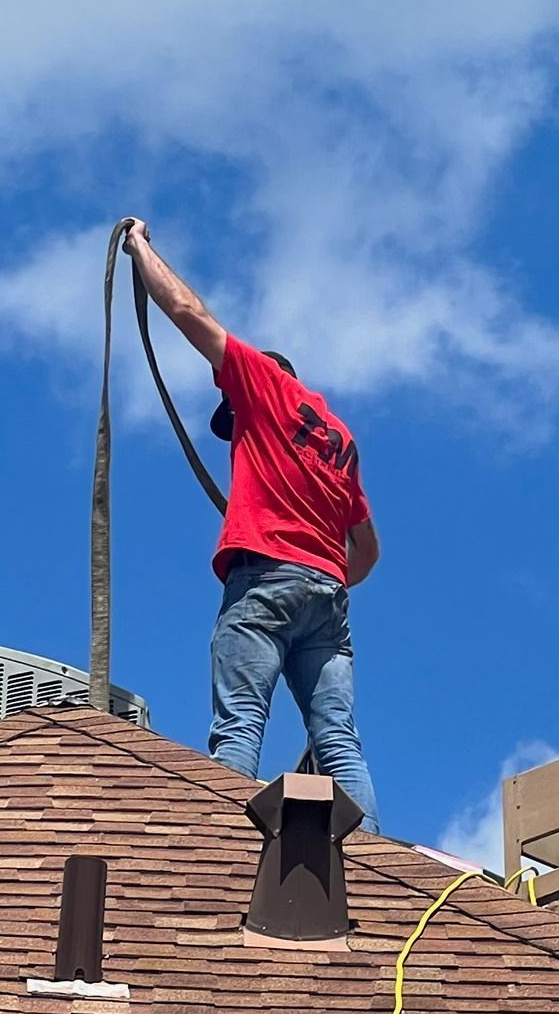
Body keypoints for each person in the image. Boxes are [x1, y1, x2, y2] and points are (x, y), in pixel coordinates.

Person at [122, 220, 381, 830]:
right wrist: (324, 569)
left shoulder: (263, 387)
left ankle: (225, 858)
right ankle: (375, 874)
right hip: (327, 596)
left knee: (240, 724)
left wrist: (139, 248)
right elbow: (366, 548)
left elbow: (187, 310)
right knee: (339, 742)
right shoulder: (339, 435)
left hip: (265, 584)